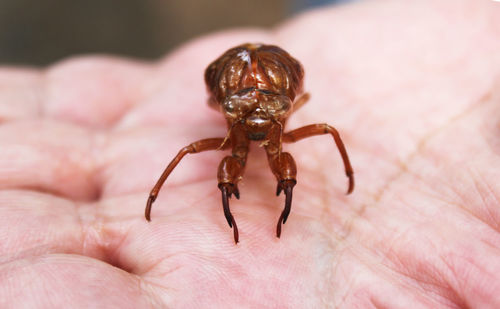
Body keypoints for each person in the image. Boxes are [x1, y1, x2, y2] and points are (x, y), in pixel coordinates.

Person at [1, 0, 499, 307]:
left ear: (288, 106)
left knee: (310, 133)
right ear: (219, 106)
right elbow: (184, 153)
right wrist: (155, 189)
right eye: (245, 117)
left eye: (270, 118)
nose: (259, 127)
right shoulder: (248, 127)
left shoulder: (264, 124)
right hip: (256, 85)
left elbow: (321, 132)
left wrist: (155, 192)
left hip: (255, 85)